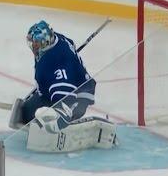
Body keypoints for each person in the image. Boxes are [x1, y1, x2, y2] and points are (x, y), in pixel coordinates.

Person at [8, 20, 117, 152]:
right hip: (59, 88)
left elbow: (65, 97)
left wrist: (59, 117)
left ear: (45, 42)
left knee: (39, 120)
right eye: (33, 43)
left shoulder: (56, 63)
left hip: (77, 97)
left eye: (36, 43)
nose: (33, 46)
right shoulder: (58, 39)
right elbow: (68, 45)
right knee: (25, 114)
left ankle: (72, 122)